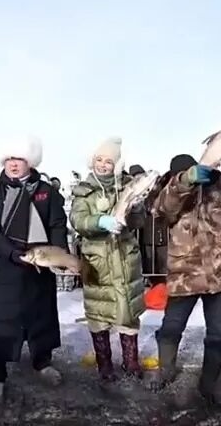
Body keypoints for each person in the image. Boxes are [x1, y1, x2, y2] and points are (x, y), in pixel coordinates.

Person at [149, 133, 221, 404]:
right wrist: (185, 180)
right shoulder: (167, 195)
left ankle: (208, 384)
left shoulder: (216, 190)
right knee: (171, 327)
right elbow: (165, 207)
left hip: (220, 275)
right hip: (185, 275)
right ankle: (166, 371)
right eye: (183, 174)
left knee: (219, 336)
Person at [0, 136, 68, 404]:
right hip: (7, 267)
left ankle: (42, 361)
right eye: (9, 160)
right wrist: (11, 253)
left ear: (30, 162)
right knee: (2, 321)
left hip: (40, 265)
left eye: (18, 159)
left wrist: (58, 254)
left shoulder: (46, 191)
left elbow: (57, 224)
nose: (13, 164)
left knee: (42, 316)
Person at [70, 137, 147, 382]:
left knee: (128, 312)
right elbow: (78, 220)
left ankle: (130, 361)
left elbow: (139, 222)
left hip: (124, 259)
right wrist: (100, 221)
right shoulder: (84, 191)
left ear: (117, 165)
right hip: (98, 260)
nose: (103, 165)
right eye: (99, 160)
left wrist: (136, 209)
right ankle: (104, 364)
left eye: (109, 161)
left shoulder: (127, 186)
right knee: (98, 314)